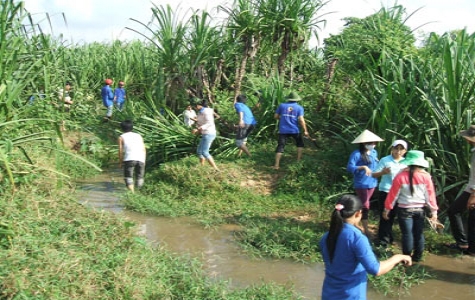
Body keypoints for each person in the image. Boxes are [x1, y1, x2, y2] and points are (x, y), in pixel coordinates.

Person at [320, 194, 412, 300]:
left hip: (328, 294)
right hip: (351, 296)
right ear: (358, 213)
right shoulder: (357, 238)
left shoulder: (326, 236)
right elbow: (376, 269)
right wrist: (398, 258)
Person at [383, 150, 439, 262]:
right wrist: (434, 212)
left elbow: (393, 195)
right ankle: (418, 257)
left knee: (407, 234)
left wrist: (387, 209)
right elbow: (430, 196)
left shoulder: (400, 176)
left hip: (404, 209)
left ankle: (406, 257)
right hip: (420, 209)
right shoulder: (426, 177)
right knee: (418, 233)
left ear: (408, 162)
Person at [346, 129, 384, 237]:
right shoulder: (356, 154)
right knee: (365, 204)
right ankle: (365, 229)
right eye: (369, 143)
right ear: (363, 143)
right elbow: (349, 167)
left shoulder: (374, 153)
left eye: (374, 143)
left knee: (364, 204)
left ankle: (355, 221)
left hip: (372, 182)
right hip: (361, 183)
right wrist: (362, 167)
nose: (372, 145)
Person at [372, 139, 408, 247]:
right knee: (384, 216)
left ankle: (388, 236)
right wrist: (383, 172)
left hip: (399, 193)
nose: (398, 151)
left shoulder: (406, 162)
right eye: (396, 148)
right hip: (386, 190)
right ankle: (383, 240)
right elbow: (374, 174)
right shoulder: (385, 160)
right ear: (392, 149)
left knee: (392, 216)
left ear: (405, 151)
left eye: (401, 149)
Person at [445, 125, 475, 255]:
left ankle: (466, 246)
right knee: (469, 217)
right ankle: (466, 245)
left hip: (473, 190)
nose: (467, 140)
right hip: (471, 188)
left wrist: (473, 195)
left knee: (455, 211)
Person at [273, 91, 309, 169]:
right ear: (296, 99)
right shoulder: (299, 108)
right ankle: (298, 161)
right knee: (299, 144)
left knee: (280, 146)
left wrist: (282, 119)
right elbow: (301, 120)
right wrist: (305, 130)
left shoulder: (282, 106)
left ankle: (276, 165)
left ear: (288, 98)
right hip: (294, 130)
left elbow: (275, 116)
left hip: (283, 130)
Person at [118, 120, 146, 193]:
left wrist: (120, 162)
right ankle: (138, 192)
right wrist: (144, 160)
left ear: (122, 128)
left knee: (128, 177)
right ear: (132, 127)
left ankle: (132, 193)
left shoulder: (121, 137)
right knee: (140, 177)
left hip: (129, 159)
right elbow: (144, 149)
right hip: (141, 158)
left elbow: (120, 151)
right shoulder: (139, 135)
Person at [191, 98, 219, 171]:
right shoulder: (200, 112)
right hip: (205, 133)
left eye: (195, 106)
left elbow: (209, 123)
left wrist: (198, 129)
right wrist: (196, 128)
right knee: (199, 151)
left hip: (209, 133)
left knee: (204, 152)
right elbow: (200, 122)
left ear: (199, 105)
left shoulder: (207, 112)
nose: (194, 108)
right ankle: (202, 167)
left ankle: (216, 169)